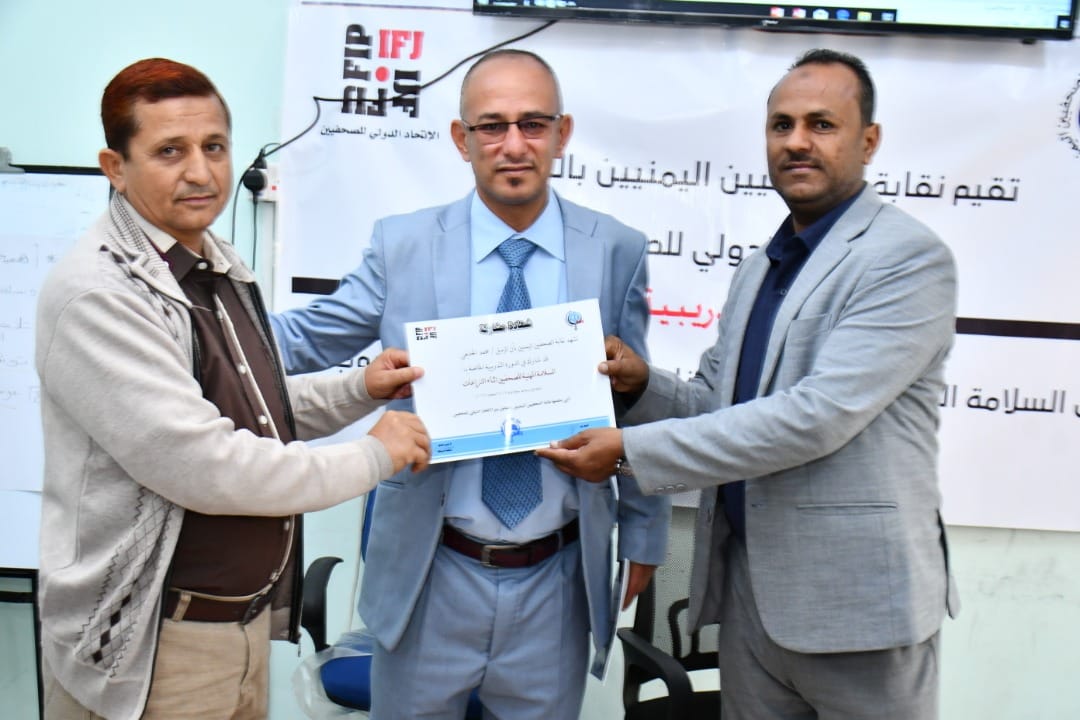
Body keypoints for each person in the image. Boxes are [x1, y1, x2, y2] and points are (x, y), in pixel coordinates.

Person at [539, 48, 960, 719]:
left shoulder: (905, 258)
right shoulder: (762, 265)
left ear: (869, 141)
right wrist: (639, 386)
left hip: (858, 612)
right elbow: (715, 403)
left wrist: (627, 452)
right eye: (781, 125)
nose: (797, 142)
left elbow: (815, 418)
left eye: (822, 124)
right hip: (751, 601)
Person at [270, 49, 670, 719]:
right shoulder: (404, 246)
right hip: (430, 568)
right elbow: (304, 339)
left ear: (562, 134)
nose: (513, 145)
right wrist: (190, 329)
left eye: (533, 124)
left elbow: (636, 397)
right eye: (492, 126)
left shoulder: (615, 248)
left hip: (557, 576)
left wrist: (645, 532)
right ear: (462, 139)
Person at [35, 58, 431, 720]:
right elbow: (207, 464)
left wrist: (360, 389)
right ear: (115, 167)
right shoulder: (99, 294)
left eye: (214, 147)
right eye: (170, 151)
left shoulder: (214, 263)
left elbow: (252, 413)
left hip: (238, 632)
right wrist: (374, 455)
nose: (201, 172)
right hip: (154, 646)